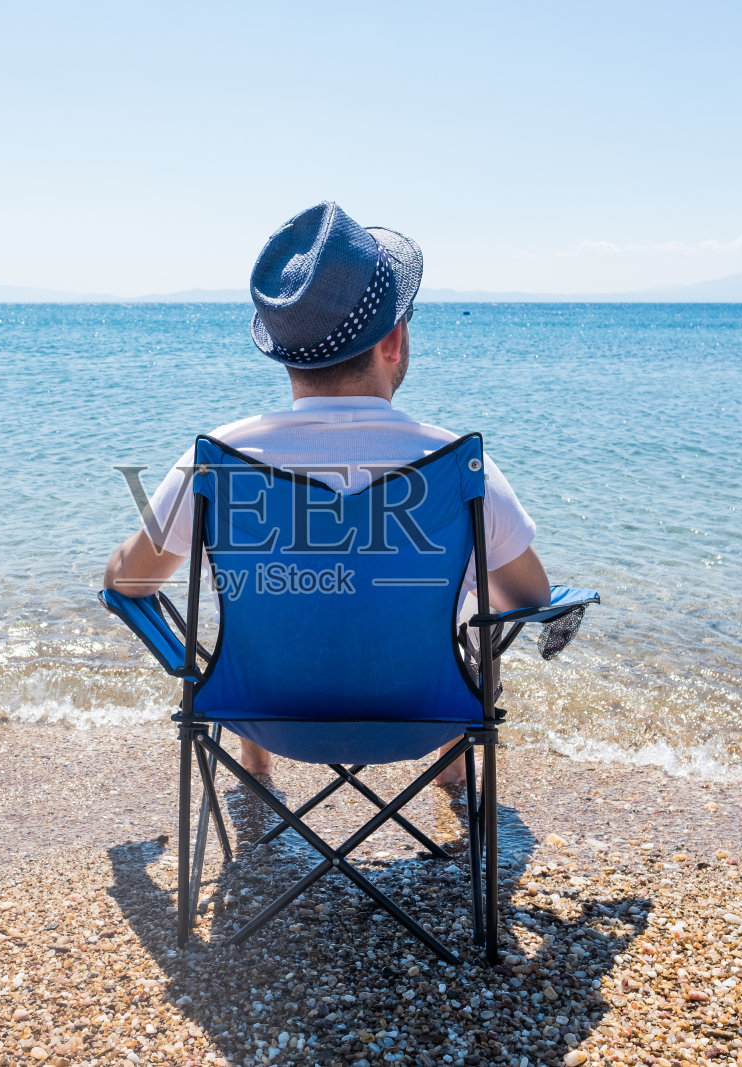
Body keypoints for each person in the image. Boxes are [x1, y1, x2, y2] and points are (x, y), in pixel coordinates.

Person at [103, 202, 552, 786]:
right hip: (422, 715)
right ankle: (452, 769)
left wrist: (118, 563)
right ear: (394, 341)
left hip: (263, 715)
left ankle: (254, 760)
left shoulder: (217, 460)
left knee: (259, 599)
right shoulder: (457, 463)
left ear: (284, 350)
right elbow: (529, 597)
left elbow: (131, 584)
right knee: (468, 620)